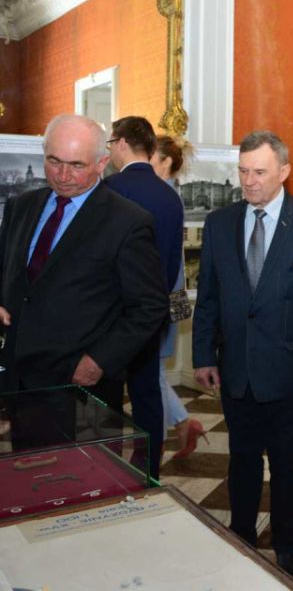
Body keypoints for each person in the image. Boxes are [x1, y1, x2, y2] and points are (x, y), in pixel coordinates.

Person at [192, 130, 293, 582]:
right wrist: (203, 355)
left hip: (291, 371)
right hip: (236, 368)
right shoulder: (220, 223)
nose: (249, 181)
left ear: (284, 172)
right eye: (243, 171)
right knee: (242, 459)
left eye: (259, 172)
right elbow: (209, 297)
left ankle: (288, 545)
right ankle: (241, 536)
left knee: (289, 463)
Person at [0, 115, 169, 415]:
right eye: (54, 161)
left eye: (77, 165)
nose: (63, 175)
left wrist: (99, 361)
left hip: (79, 383)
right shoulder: (21, 206)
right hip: (17, 374)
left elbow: (150, 307)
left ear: (102, 163)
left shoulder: (128, 222)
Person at [105, 116, 185, 479]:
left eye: (111, 143)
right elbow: (172, 262)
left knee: (104, 399)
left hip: (109, 316)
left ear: (122, 143)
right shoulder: (170, 197)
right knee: (148, 394)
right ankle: (148, 470)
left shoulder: (110, 189)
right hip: (152, 313)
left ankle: (104, 470)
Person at [149, 134, 206, 460]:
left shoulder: (165, 197)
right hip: (169, 294)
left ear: (166, 162)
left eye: (151, 158)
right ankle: (183, 423)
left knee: (151, 371)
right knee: (152, 370)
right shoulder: (168, 195)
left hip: (163, 297)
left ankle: (159, 440)